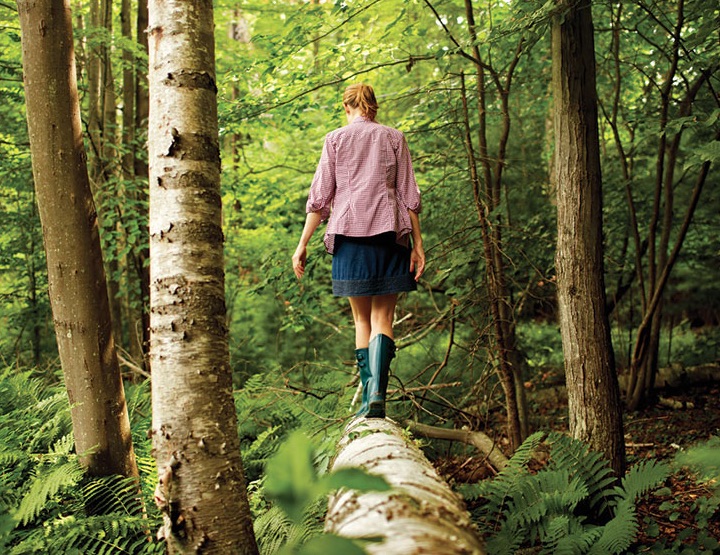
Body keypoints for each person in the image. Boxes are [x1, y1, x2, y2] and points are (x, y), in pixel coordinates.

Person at [292, 83, 425, 419]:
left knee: (361, 319)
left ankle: (368, 398)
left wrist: (303, 243)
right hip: (390, 236)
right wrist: (419, 246)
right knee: (384, 318)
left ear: (345, 107)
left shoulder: (335, 139)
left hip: (349, 236)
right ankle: (379, 394)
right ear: (374, 108)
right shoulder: (395, 138)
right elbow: (410, 196)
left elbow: (320, 200)